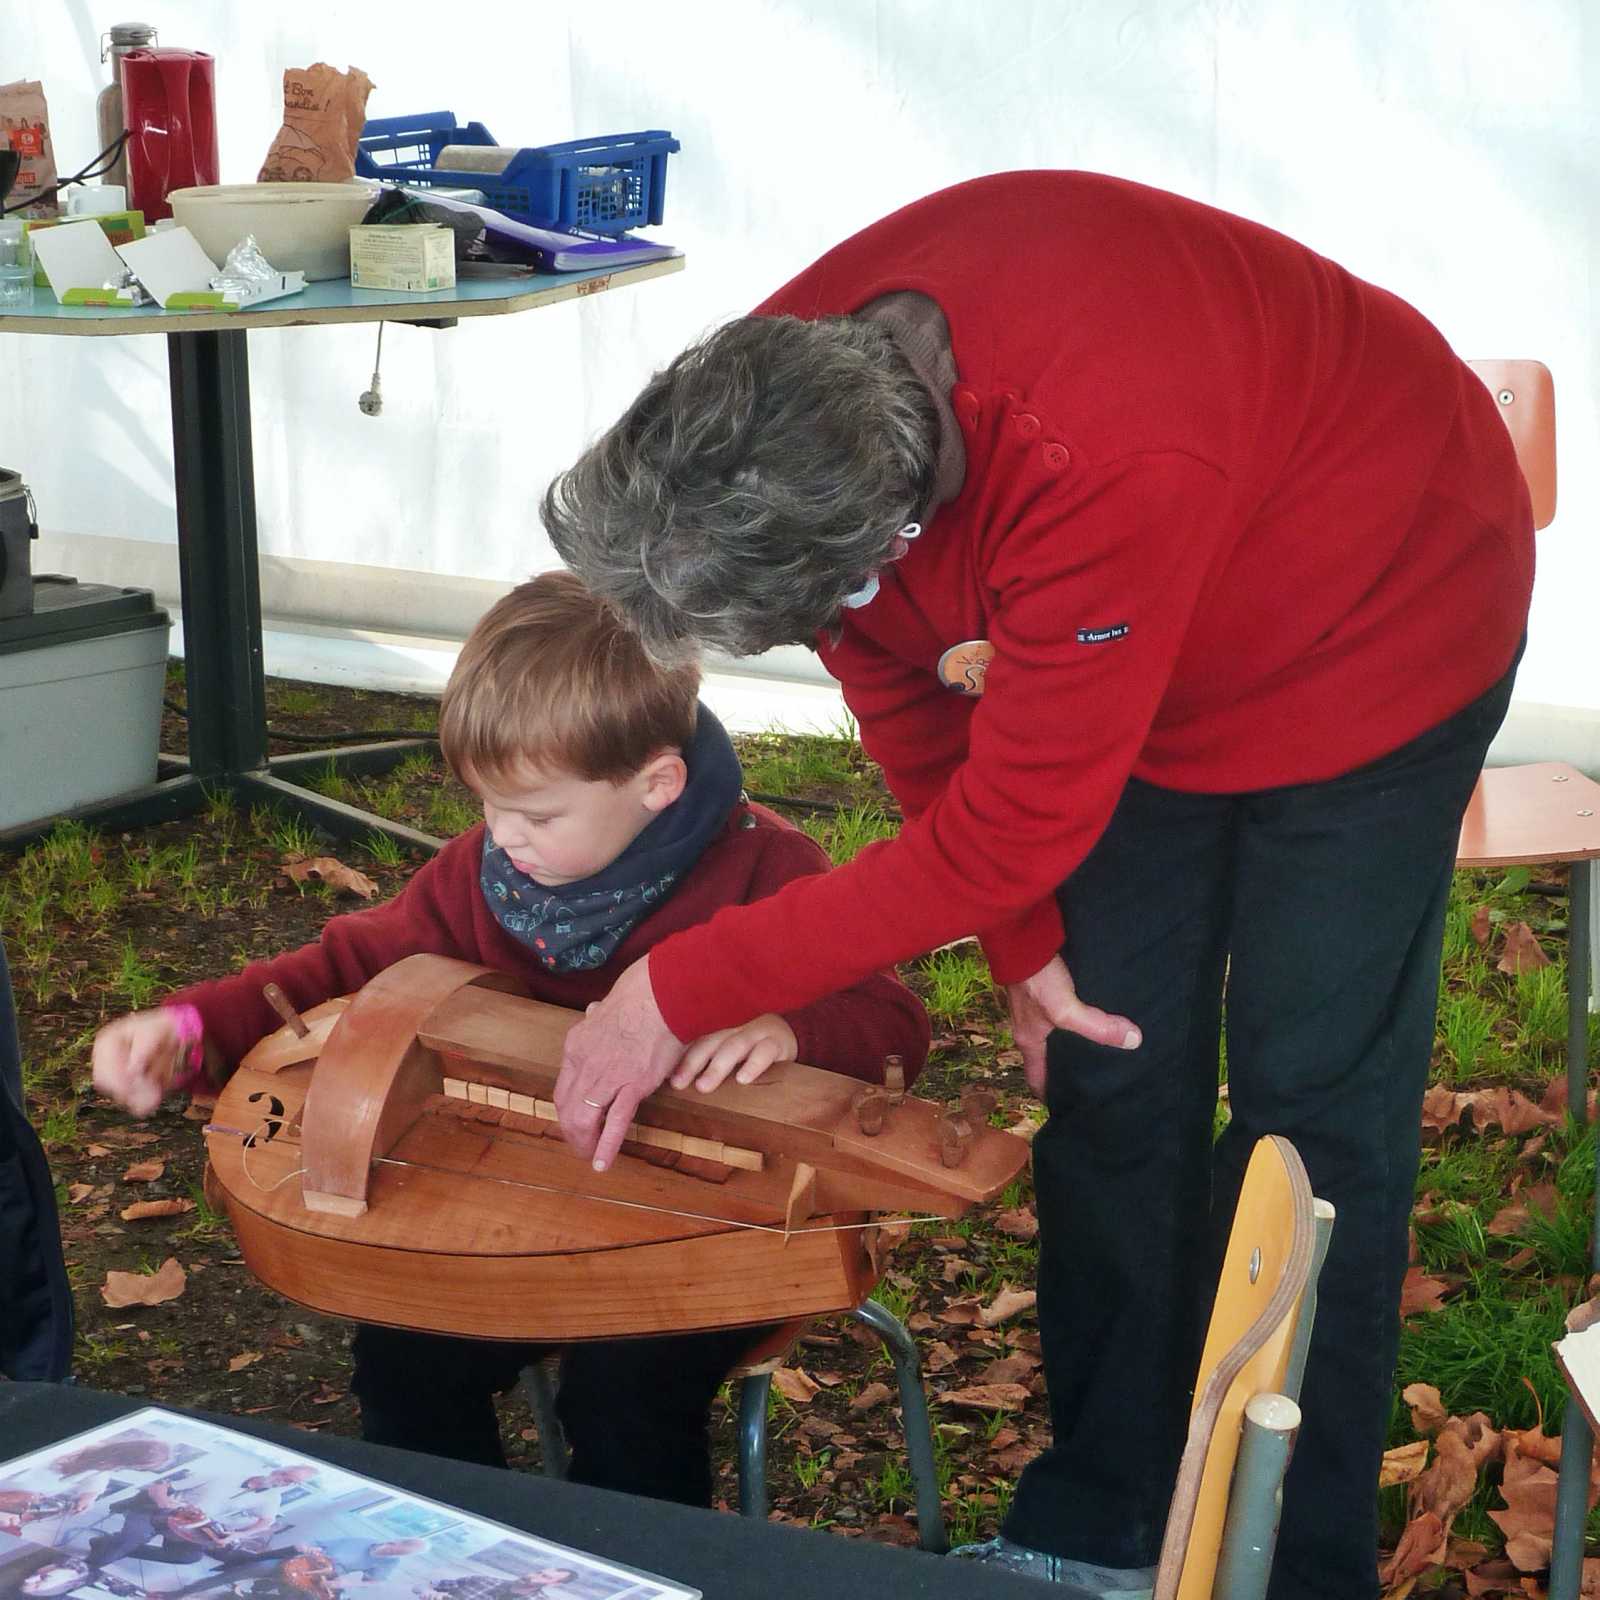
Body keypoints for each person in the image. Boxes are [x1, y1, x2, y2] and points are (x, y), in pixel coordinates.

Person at [538, 171, 1534, 1598]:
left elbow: (1007, 826)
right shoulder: (759, 414)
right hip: (1136, 620)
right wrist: (1020, 943)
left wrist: (676, 985)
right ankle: (1104, 1522)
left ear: (894, 528)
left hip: (1382, 604)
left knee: (1308, 1130)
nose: (834, 625)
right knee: (1108, 1069)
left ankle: (1290, 1560)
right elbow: (909, 685)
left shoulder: (1102, 459)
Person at [91, 571, 929, 1508]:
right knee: (402, 1350)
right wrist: (193, 1029)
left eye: (537, 815)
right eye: (488, 806)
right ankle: (451, 1550)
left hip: (709, 1226)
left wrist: (789, 1026)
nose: (505, 838)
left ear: (657, 784)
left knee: (622, 1397)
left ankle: (625, 1566)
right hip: (510, 1205)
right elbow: (344, 968)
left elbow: (893, 1024)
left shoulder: (766, 871)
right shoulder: (480, 879)